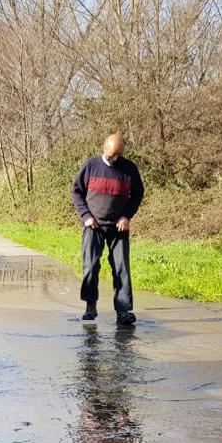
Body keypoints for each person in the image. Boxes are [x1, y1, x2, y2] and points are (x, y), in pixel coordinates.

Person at [70, 133, 144, 326]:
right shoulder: (91, 166)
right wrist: (86, 216)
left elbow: (137, 195)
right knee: (91, 266)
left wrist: (126, 216)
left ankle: (123, 311)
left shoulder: (129, 169)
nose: (115, 159)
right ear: (104, 149)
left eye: (119, 155)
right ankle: (90, 306)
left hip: (118, 228)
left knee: (121, 269)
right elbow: (76, 192)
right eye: (112, 155)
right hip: (93, 225)